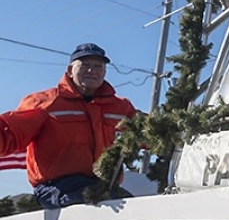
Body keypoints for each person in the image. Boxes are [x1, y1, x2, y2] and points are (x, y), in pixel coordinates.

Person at [0, 43, 137, 209]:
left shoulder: (120, 107)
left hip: (103, 185)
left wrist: (172, 130)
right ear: (70, 69)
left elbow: (149, 131)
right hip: (56, 186)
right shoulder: (45, 102)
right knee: (96, 201)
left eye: (98, 66)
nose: (91, 71)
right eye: (85, 65)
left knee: (133, 206)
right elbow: (11, 131)